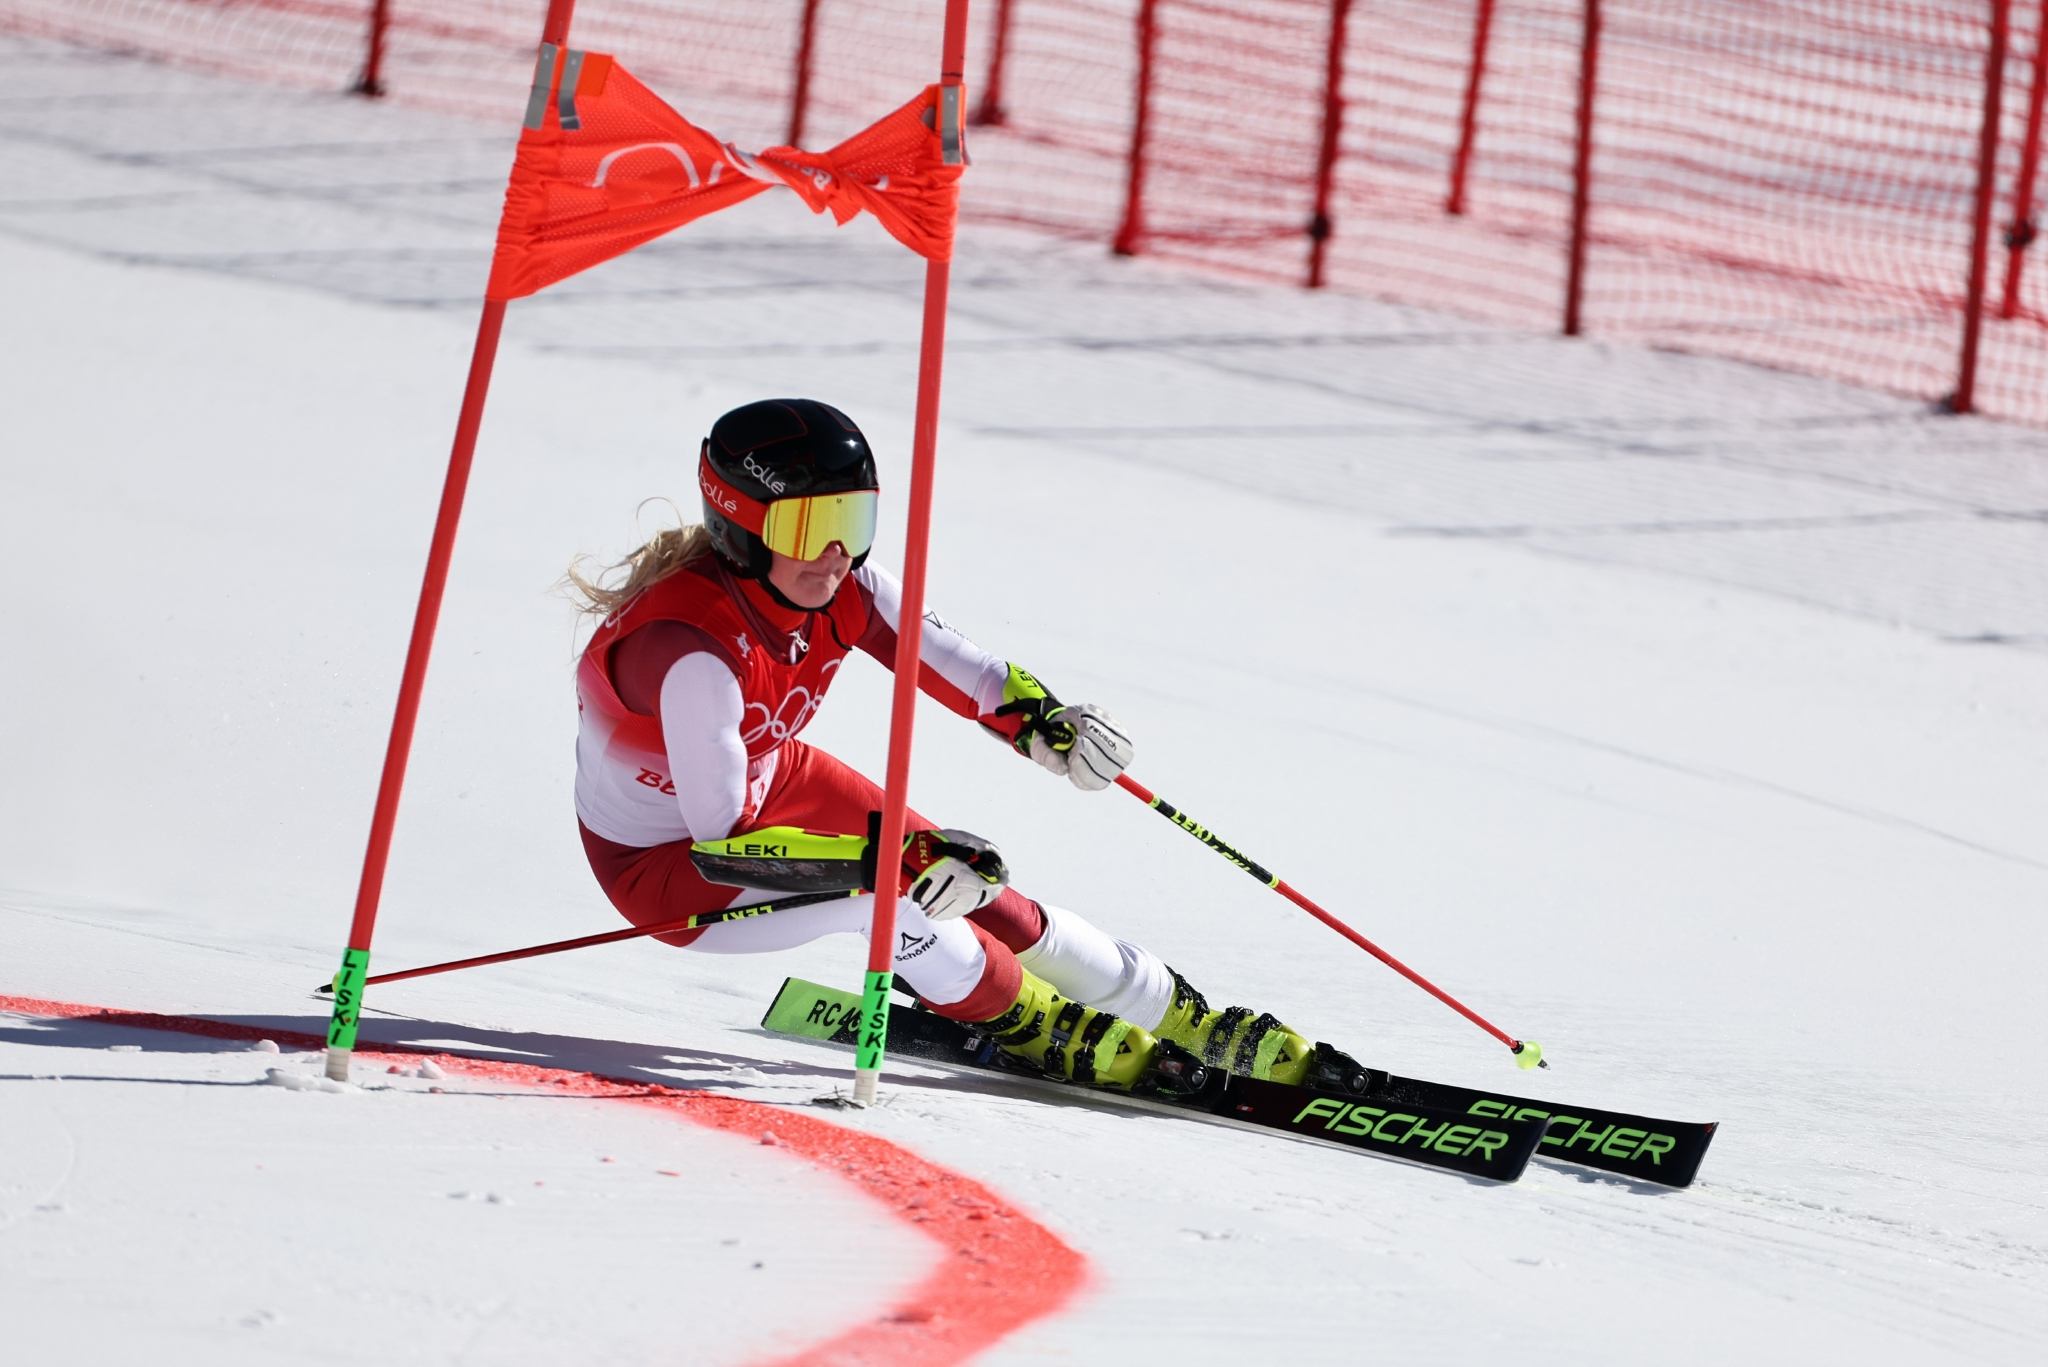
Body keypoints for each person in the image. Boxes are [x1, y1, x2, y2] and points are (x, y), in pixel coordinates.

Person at [568, 398, 1354, 1091]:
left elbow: (965, 670)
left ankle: (1171, 1010)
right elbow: (723, 837)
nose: (836, 553)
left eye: (853, 523)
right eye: (808, 528)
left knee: (984, 892)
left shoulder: (840, 588)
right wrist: (898, 862)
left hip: (775, 783)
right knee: (885, 896)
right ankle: (1031, 1021)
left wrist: (1045, 725)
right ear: (738, 527)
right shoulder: (694, 652)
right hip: (669, 868)